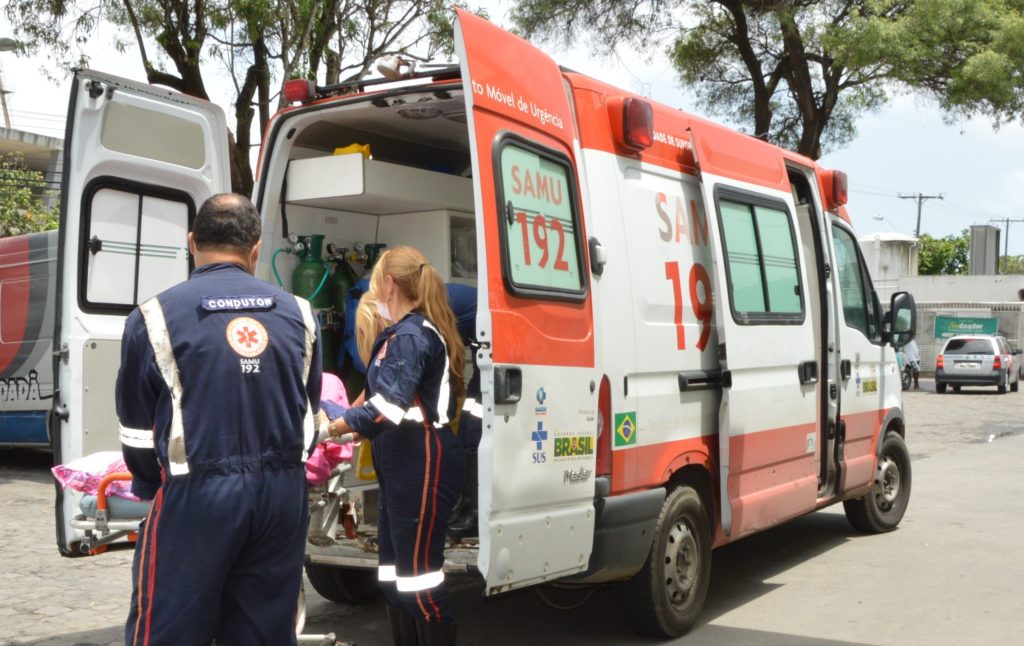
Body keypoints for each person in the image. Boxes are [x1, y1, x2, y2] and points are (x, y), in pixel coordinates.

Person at [115, 193, 322, 645]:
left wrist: (154, 488)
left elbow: (135, 435)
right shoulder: (301, 314)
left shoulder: (152, 317)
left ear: (192, 243)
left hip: (197, 496)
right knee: (264, 630)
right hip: (281, 498)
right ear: (255, 250)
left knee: (170, 627)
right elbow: (309, 418)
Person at [326, 246, 465, 645]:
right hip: (402, 461)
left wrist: (332, 429)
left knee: (418, 581)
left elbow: (387, 405)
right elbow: (375, 404)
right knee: (392, 579)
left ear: (389, 284)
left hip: (421, 460)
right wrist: (341, 422)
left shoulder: (410, 335)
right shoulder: (402, 335)